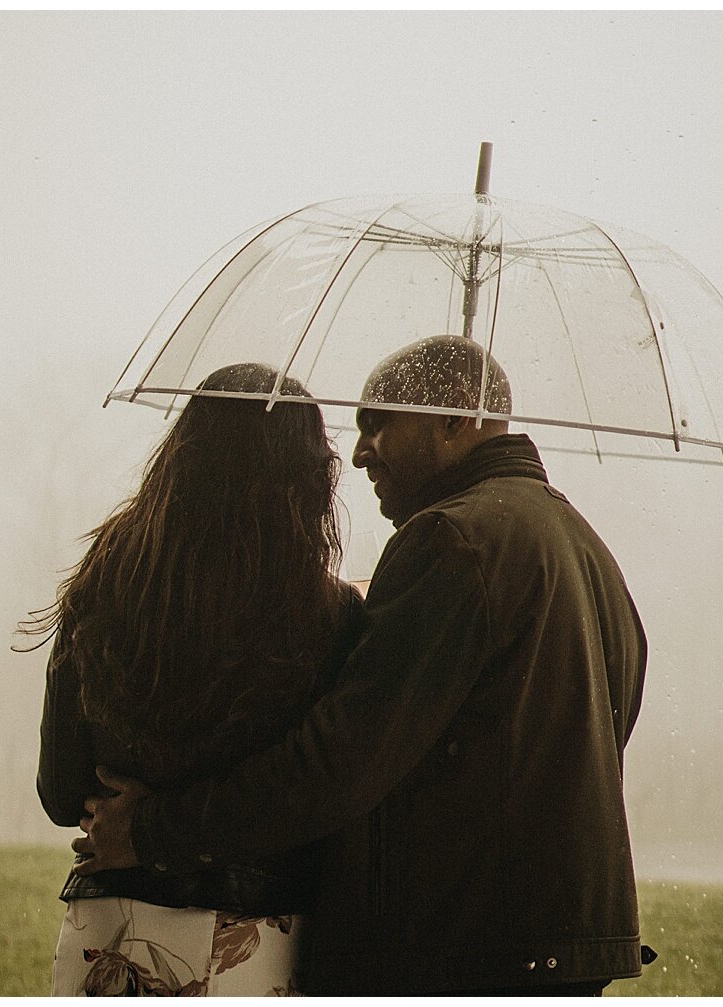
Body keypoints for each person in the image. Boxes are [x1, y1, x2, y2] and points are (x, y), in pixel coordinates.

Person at [75, 335, 648, 995]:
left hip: (462, 949)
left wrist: (152, 829)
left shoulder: (452, 540)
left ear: (458, 416)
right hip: (558, 947)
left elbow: (337, 763)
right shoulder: (584, 546)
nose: (358, 450)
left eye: (380, 421)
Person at [25, 362, 365, 996]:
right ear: (303, 482)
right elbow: (319, 790)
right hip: (252, 935)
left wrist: (130, 818)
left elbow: (60, 790)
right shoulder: (326, 618)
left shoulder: (102, 589)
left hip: (107, 928)